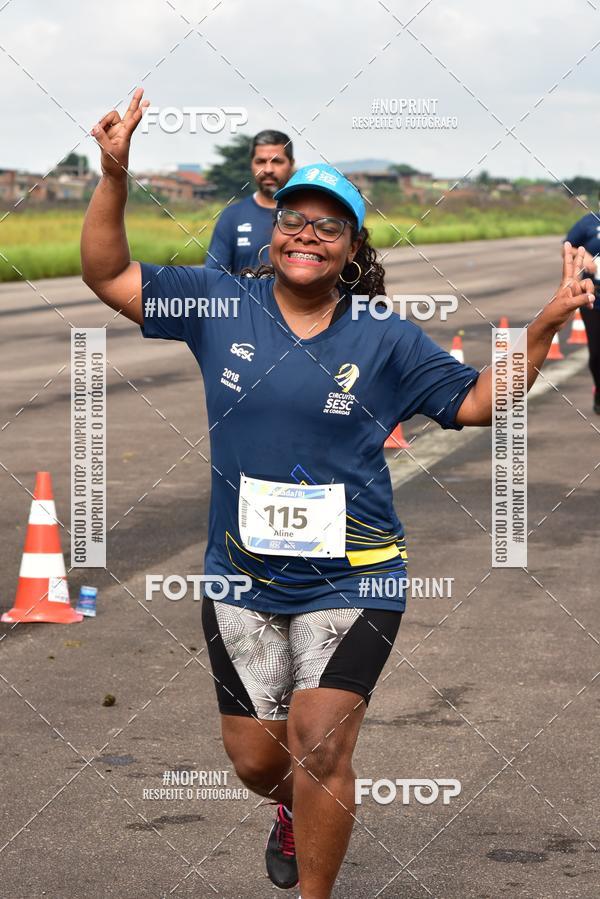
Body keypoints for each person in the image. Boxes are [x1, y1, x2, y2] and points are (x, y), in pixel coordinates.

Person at [82, 88, 596, 899]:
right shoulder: (219, 301)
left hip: (355, 574)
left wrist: (537, 333)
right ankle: (291, 808)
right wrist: (113, 173)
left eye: (329, 224)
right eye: (295, 218)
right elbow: (108, 272)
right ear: (273, 228)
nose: (307, 234)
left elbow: (472, 402)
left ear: (351, 246)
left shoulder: (384, 336)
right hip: (238, 575)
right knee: (260, 759)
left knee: (320, 744)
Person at [205, 128, 294, 273]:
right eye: (260, 161)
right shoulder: (232, 216)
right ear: (251, 164)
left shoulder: (306, 216)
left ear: (291, 164)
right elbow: (213, 278)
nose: (268, 169)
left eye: (277, 161)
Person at [564, 199, 600, 413]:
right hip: (595, 297)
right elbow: (566, 247)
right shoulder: (589, 222)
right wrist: (583, 255)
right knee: (597, 353)